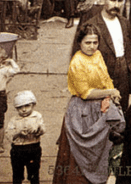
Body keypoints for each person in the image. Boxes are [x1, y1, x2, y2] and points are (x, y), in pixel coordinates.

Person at [54, 23, 126, 184]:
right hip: (82, 111)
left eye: (95, 42)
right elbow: (86, 93)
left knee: (103, 150)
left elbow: (105, 77)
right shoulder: (77, 62)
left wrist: (112, 92)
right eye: (88, 43)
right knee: (81, 156)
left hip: (101, 106)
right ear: (79, 43)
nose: (92, 46)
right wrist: (109, 92)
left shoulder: (98, 55)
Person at [71, 0, 131, 111]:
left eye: (120, 1)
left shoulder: (124, 23)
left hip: (123, 71)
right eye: (113, 0)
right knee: (101, 110)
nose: (116, 5)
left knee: (122, 108)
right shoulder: (91, 25)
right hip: (102, 71)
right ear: (103, 0)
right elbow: (77, 54)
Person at [6, 90, 44, 184]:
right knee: (17, 174)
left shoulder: (37, 117)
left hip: (33, 147)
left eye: (27, 106)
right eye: (20, 107)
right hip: (17, 150)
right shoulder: (14, 120)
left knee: (34, 174)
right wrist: (18, 132)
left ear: (33, 105)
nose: (24, 109)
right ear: (16, 108)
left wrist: (37, 130)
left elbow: (43, 129)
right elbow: (8, 134)